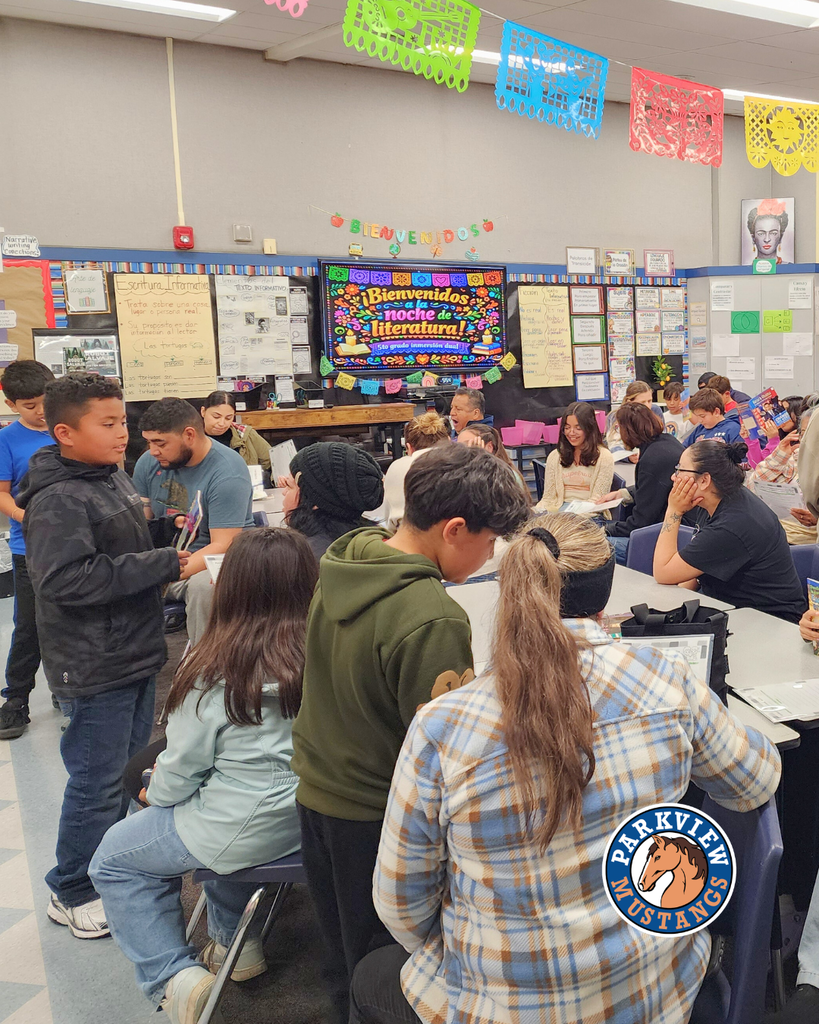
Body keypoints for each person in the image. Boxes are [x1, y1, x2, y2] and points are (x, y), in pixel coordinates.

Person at [350, 514, 781, 1024]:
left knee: (372, 976)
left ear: (510, 588)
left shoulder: (444, 727)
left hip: (501, 1008)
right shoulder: (667, 680)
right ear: (605, 598)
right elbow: (753, 782)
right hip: (655, 995)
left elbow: (401, 907)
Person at [291, 445, 530, 1023]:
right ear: (454, 529)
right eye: (490, 541)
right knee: (391, 962)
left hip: (319, 789)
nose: (491, 555)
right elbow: (445, 753)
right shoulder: (433, 616)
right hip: (377, 812)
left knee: (342, 951)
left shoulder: (350, 558)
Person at [90, 528, 317, 1024]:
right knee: (213, 820)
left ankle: (172, 977)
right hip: (309, 820)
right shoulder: (330, 654)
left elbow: (179, 775)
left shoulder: (214, 671)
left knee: (113, 859)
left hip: (239, 827)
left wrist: (153, 788)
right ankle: (236, 940)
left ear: (229, 587)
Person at [18, 374, 185, 938]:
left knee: (126, 772)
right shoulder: (59, 498)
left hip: (132, 649)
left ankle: (109, 868)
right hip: (94, 661)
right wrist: (163, 563)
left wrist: (163, 530)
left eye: (122, 421)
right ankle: (71, 890)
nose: (122, 434)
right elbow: (65, 579)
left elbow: (115, 545)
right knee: (96, 782)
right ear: (65, 433)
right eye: (108, 424)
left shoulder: (107, 476)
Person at [133, 397, 253, 645]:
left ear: (189, 435)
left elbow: (222, 545)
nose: (153, 451)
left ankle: (206, 661)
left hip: (207, 563)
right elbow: (140, 524)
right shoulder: (149, 462)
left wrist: (161, 573)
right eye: (149, 442)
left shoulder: (227, 471)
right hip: (162, 560)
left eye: (160, 443)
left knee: (206, 587)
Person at [653, 440, 806, 623]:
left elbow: (663, 572)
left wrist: (674, 511)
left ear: (704, 480)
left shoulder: (733, 524)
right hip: (733, 609)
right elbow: (696, 565)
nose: (674, 476)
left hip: (769, 621)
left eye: (680, 469)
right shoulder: (716, 499)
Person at [0, 360, 56, 740]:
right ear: (12, 404)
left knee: (74, 619)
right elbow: (3, 494)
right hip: (29, 547)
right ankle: (16, 699)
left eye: (45, 402)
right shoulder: (7, 440)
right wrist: (25, 517)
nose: (40, 412)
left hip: (74, 543)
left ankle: (67, 688)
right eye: (29, 405)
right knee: (30, 625)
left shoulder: (68, 429)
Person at [599, 402, 685, 564]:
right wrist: (624, 494)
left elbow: (640, 523)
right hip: (677, 528)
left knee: (593, 545)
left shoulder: (651, 460)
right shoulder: (667, 442)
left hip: (666, 537)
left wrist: (603, 530)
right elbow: (655, 487)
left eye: (619, 428)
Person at [280, 441, 384, 559]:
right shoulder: (374, 542)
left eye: (289, 486)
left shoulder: (303, 559)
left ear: (314, 501)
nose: (284, 492)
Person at [746, 403, 816, 545]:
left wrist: (817, 519)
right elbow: (753, 486)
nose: (806, 439)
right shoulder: (794, 457)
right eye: (803, 433)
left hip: (807, 541)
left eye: (812, 434)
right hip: (777, 534)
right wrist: (780, 455)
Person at [535, 401, 614, 517]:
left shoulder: (604, 457)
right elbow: (548, 498)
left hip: (589, 515)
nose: (571, 433)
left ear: (589, 428)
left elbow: (597, 501)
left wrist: (570, 517)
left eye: (578, 428)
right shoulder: (555, 456)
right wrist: (536, 512)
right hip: (559, 513)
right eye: (567, 427)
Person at [383, 411, 450, 529]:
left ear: (408, 447)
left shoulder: (397, 467)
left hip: (406, 535)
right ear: (449, 440)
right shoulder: (464, 463)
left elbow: (389, 522)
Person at [200, 391, 271, 472]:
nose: (222, 423)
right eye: (216, 417)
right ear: (203, 412)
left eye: (228, 418)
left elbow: (273, 460)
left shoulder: (245, 434)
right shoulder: (192, 438)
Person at [457, 422, 529, 491]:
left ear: (489, 447)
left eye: (471, 444)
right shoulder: (464, 472)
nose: (462, 451)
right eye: (459, 446)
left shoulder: (506, 476)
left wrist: (478, 459)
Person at [605, 380, 663, 460]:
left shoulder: (655, 411)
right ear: (630, 403)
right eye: (642, 402)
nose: (647, 405)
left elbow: (662, 438)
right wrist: (628, 457)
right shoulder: (614, 416)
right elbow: (614, 445)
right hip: (625, 461)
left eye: (649, 401)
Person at [746, 198, 791, 265]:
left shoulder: (790, 268)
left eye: (773, 233)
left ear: (780, 237)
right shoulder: (745, 270)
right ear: (753, 238)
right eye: (761, 234)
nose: (767, 239)